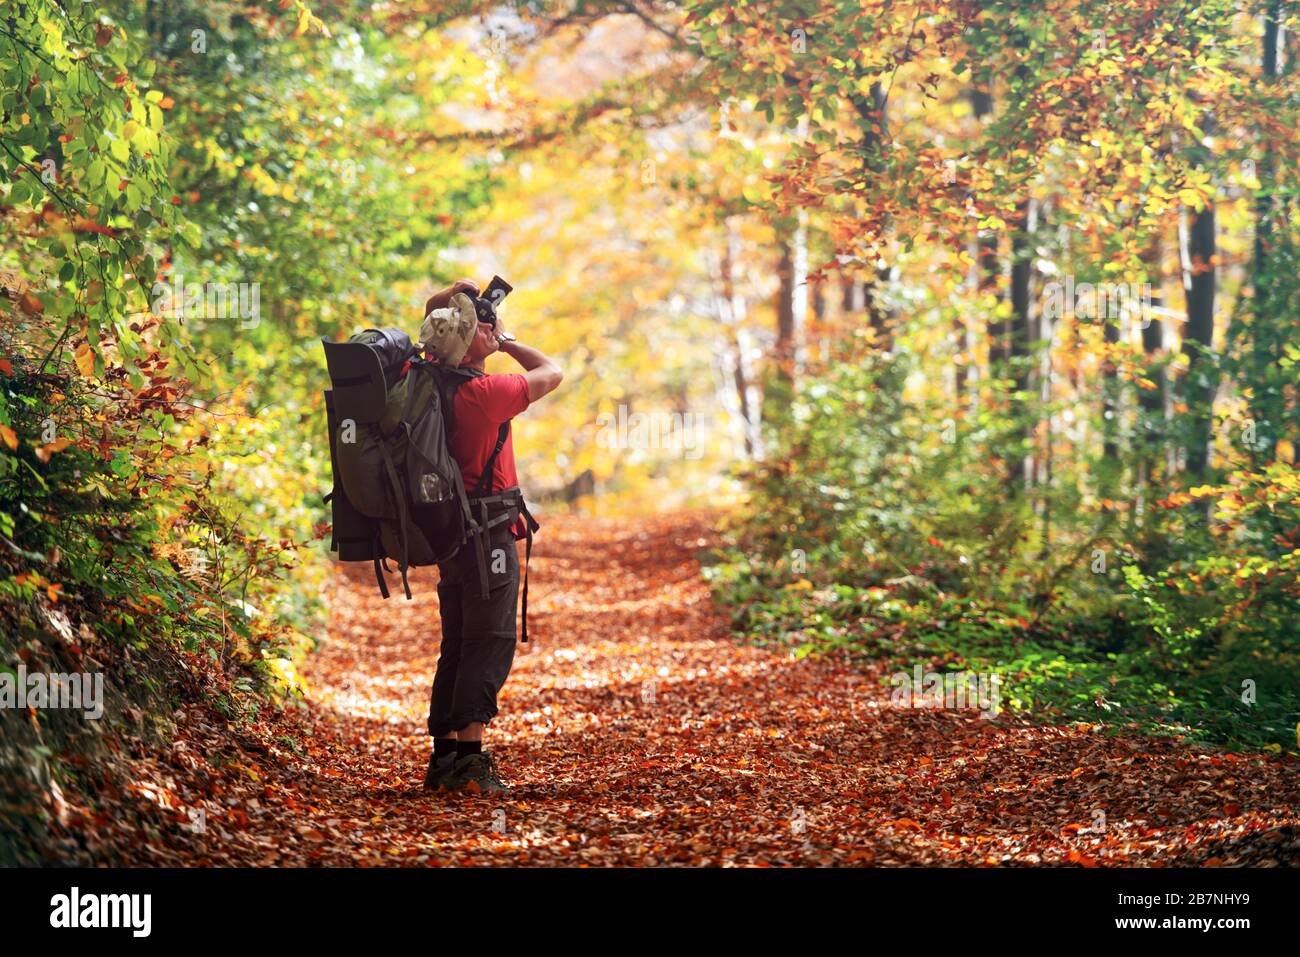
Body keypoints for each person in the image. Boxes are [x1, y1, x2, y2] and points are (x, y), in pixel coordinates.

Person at [418, 278, 563, 795]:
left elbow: (435, 320)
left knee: (457, 640)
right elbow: (552, 371)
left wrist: (454, 308)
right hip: (487, 533)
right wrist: (507, 341)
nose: (487, 328)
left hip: (451, 533)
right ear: (468, 341)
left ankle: (446, 758)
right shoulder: (484, 394)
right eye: (479, 327)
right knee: (489, 640)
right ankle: (471, 762)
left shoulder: (426, 380)